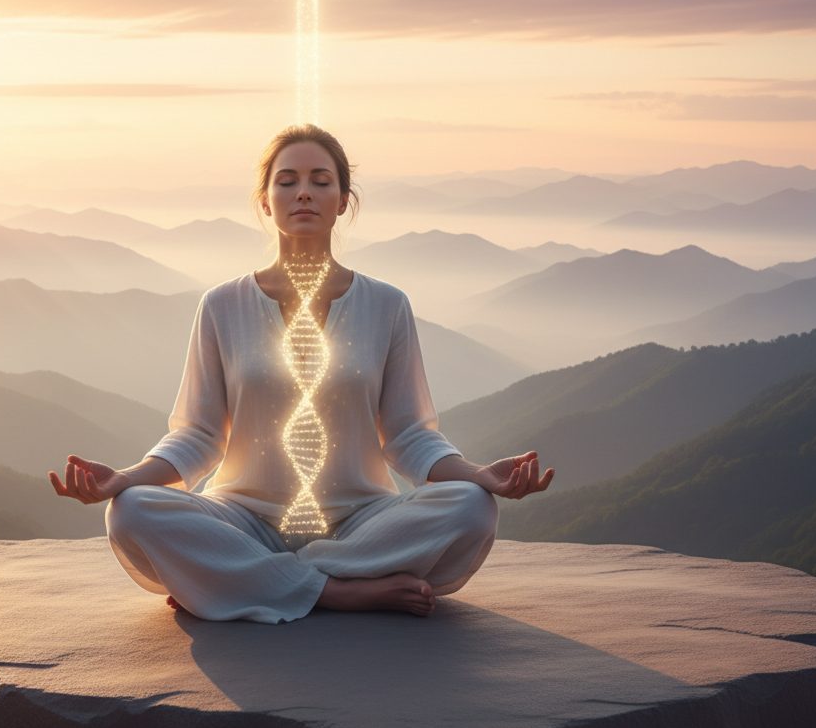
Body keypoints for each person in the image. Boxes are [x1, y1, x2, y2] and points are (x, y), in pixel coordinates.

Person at [49, 124, 554, 624]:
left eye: (320, 180)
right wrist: (126, 478)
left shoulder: (387, 305)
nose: (304, 193)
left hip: (361, 525)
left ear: (343, 200)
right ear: (265, 201)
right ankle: (335, 591)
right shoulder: (223, 305)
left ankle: (240, 582)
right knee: (130, 511)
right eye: (287, 181)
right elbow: (198, 435)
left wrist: (479, 475)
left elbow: (408, 435)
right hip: (242, 519)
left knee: (473, 507)